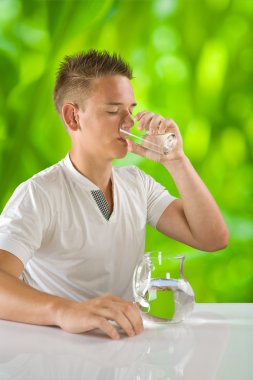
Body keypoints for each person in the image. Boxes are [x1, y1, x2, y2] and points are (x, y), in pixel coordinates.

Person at [0, 50, 229, 340]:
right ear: (73, 117)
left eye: (130, 110)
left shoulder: (137, 184)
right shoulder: (39, 194)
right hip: (56, 355)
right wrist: (66, 311)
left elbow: (212, 237)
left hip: (124, 350)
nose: (128, 123)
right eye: (112, 111)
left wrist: (176, 161)